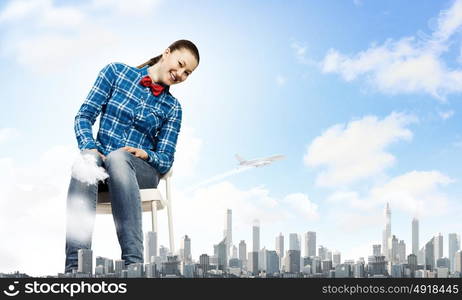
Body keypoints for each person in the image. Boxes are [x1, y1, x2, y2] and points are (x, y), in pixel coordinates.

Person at [64, 40, 200, 273]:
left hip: (140, 172)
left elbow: (166, 159)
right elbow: (83, 117)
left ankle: (133, 267)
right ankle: (75, 271)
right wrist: (90, 147)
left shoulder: (173, 107)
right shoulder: (115, 72)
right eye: (180, 65)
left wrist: (146, 154)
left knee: (119, 158)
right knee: (86, 161)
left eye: (187, 73)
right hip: (101, 168)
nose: (180, 74)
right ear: (166, 53)